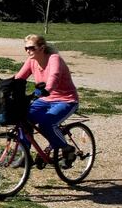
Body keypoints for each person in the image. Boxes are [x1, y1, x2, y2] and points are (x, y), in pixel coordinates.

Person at [14, 34, 79, 164]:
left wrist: (46, 90)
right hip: (45, 99)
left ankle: (67, 148)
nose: (28, 51)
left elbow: (53, 77)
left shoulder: (54, 59)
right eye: (26, 48)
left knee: (46, 124)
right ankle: (25, 155)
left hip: (66, 100)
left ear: (42, 48)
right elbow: (19, 79)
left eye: (31, 48)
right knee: (22, 118)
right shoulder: (31, 61)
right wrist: (4, 87)